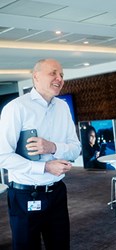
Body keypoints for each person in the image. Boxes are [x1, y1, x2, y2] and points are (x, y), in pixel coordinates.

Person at [0, 58, 81, 250]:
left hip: (57, 192)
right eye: (53, 73)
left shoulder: (62, 107)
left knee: (60, 245)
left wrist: (52, 147)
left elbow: (76, 148)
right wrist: (45, 166)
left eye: (61, 74)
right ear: (36, 77)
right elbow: (3, 155)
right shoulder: (16, 107)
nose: (59, 78)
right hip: (25, 194)